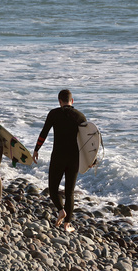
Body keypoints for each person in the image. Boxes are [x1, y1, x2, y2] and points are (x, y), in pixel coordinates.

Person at [33, 89, 86, 232]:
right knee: (69, 192)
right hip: (74, 158)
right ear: (72, 101)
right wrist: (89, 160)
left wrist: (36, 149)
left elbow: (44, 132)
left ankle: (61, 210)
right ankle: (67, 225)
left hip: (58, 156)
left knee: (53, 188)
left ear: (59, 101)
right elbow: (88, 141)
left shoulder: (54, 114)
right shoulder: (80, 116)